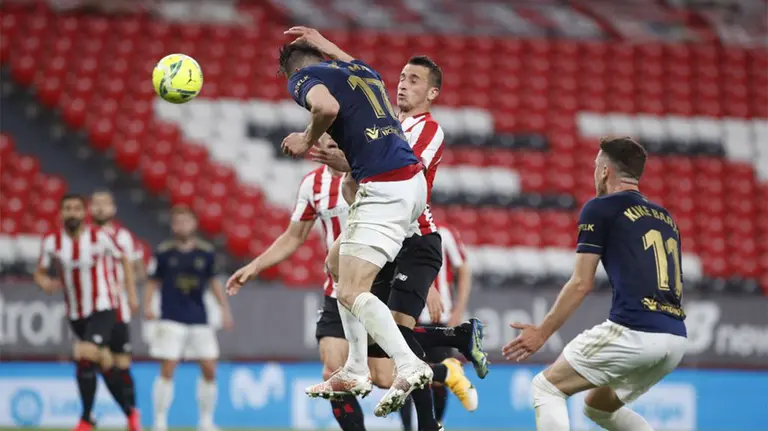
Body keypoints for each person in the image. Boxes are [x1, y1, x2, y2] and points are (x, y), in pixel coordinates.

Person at [229, 30, 434, 419]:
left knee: (352, 290)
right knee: (336, 264)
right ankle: (355, 369)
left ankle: (409, 364)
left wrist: (307, 138)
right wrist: (323, 41)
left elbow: (324, 109)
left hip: (384, 185)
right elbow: (343, 61)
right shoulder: (361, 70)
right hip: (410, 183)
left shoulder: (301, 78)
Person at [503, 137, 688, 431]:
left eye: (595, 165)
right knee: (598, 409)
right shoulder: (665, 218)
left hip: (635, 331)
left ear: (604, 171)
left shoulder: (601, 207)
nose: (594, 172)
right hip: (675, 338)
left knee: (547, 387)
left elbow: (581, 283)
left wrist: (542, 332)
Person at [34, 194, 139, 431]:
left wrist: (131, 294)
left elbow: (124, 259)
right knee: (103, 362)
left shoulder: (99, 236)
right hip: (76, 312)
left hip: (103, 307)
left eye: (76, 209)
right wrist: (44, 283)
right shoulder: (52, 241)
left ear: (84, 213)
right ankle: (130, 413)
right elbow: (39, 272)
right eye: (67, 209)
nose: (72, 213)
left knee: (85, 353)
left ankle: (86, 419)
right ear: (61, 213)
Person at [146, 205, 234, 431]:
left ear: (194, 224)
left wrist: (224, 309)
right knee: (168, 367)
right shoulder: (164, 252)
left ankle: (206, 421)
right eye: (177, 221)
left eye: (186, 221)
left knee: (209, 367)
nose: (182, 225)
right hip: (171, 317)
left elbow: (214, 282)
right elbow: (153, 281)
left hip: (199, 318)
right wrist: (147, 305)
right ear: (172, 225)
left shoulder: (205, 253)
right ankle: (159, 421)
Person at [401, 222, 477, 430]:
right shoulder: (399, 230)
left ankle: (436, 424)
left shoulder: (444, 234)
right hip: (407, 316)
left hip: (440, 318)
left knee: (435, 382)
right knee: (404, 378)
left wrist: (459, 309)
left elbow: (463, 269)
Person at [89, 190, 144, 429]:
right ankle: (128, 413)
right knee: (98, 360)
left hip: (117, 308)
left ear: (113, 208)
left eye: (105, 204)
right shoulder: (82, 237)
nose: (100, 208)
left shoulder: (124, 237)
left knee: (122, 365)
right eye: (96, 204)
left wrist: (127, 287)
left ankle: (131, 415)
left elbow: (139, 268)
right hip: (89, 310)